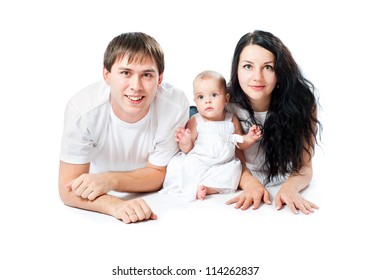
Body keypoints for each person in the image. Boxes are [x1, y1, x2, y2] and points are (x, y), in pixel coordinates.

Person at [58, 32, 189, 223]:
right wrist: (115, 205)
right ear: (107, 75)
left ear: (160, 79)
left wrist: (109, 180)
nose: (135, 86)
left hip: (147, 183)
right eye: (125, 73)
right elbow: (67, 187)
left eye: (147, 75)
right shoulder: (83, 110)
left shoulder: (174, 105)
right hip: (96, 186)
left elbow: (158, 174)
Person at [225, 30, 322, 214]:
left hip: (283, 181)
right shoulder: (227, 105)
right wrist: (250, 183)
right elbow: (230, 160)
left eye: (268, 67)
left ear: (280, 71)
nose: (257, 77)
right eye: (248, 66)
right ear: (236, 69)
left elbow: (305, 167)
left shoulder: (302, 104)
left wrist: (290, 188)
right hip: (235, 183)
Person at [161, 70, 261, 200]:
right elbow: (187, 149)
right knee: (186, 167)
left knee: (232, 171)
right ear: (195, 101)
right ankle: (194, 186)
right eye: (201, 97)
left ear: (226, 99)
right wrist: (185, 141)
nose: (207, 101)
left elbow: (239, 142)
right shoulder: (196, 120)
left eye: (214, 95)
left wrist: (249, 138)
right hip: (200, 159)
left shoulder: (231, 119)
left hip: (223, 162)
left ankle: (208, 188)